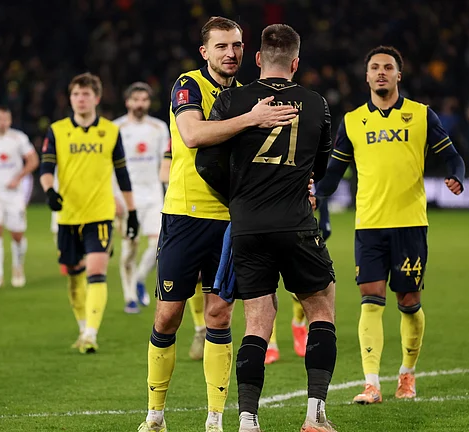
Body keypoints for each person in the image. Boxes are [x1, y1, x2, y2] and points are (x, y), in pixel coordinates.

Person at [138, 16, 297, 432]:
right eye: (222, 46)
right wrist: (251, 119)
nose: (231, 53)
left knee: (219, 316)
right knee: (167, 317)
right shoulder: (189, 85)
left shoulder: (248, 96)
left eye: (237, 45)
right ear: (205, 52)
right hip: (184, 215)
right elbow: (191, 135)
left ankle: (214, 419)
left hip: (229, 221)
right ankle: (155, 415)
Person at [196, 24, 338, 432]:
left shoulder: (231, 100)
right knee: (321, 307)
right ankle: (315, 415)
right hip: (295, 223)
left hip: (247, 226)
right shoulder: (316, 104)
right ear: (296, 63)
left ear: (258, 59)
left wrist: (239, 195)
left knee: (257, 322)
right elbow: (320, 169)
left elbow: (206, 163)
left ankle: (247, 420)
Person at [314, 46, 466, 404]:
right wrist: (313, 192)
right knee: (370, 301)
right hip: (369, 226)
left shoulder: (421, 115)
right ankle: (371, 384)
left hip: (410, 224)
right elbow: (333, 173)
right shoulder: (353, 121)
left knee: (409, 301)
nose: (381, 72)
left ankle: (407, 374)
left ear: (399, 75)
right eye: (374, 67)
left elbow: (452, 156)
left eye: (387, 67)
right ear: (366, 76)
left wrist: (456, 175)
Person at [39, 72, 139, 354]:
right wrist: (49, 191)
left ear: (96, 98)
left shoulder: (110, 131)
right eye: (75, 94)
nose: (80, 99)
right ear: (70, 99)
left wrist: (131, 211)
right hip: (68, 214)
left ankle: (91, 335)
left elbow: (122, 173)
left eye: (85, 94)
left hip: (100, 213)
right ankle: (83, 327)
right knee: (74, 274)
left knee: (96, 272)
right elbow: (46, 168)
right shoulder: (57, 130)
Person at [113, 82, 169, 314]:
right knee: (130, 247)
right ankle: (129, 297)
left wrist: (168, 192)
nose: (140, 104)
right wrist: (114, 197)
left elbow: (165, 163)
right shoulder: (116, 128)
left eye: (144, 100)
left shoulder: (159, 127)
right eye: (136, 100)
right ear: (128, 102)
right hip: (127, 196)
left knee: (158, 245)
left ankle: (138, 278)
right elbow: (110, 167)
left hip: (153, 193)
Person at [265, 189, 331, 364]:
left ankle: (299, 324)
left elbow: (317, 183)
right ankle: (270, 343)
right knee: (265, 287)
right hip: (263, 220)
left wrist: (323, 211)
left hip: (297, 222)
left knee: (303, 285)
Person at [0, 107, 38, 289]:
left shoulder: (18, 138)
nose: (2, 122)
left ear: (10, 121)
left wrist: (18, 178)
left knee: (17, 234)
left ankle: (18, 268)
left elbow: (33, 160)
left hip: (14, 194)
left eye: (5, 119)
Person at [158, 140, 208, 360]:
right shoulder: (184, 130)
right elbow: (163, 172)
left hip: (221, 208)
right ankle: (200, 329)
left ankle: (209, 331)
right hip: (185, 210)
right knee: (193, 276)